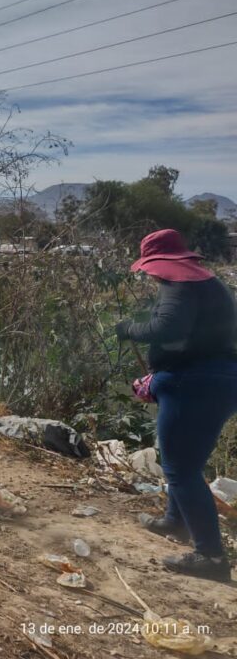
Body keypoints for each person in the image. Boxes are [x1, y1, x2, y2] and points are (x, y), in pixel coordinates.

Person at [116, 229, 237, 582]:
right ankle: (175, 520)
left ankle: (211, 557)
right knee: (187, 462)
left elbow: (168, 327)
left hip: (192, 383)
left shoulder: (179, 286)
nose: (151, 276)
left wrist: (130, 329)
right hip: (219, 380)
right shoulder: (206, 284)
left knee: (180, 468)